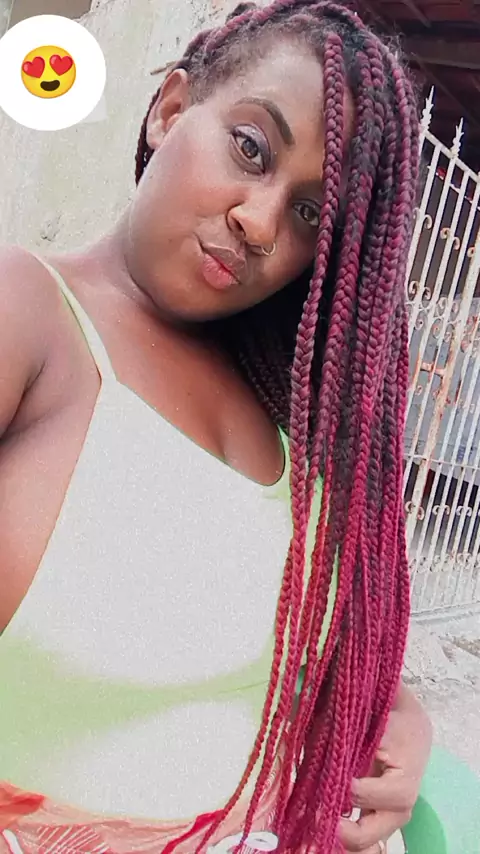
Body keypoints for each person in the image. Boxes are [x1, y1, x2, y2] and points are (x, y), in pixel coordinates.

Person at [0, 1, 432, 852]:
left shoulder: (288, 418)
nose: (260, 223)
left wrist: (400, 718)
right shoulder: (28, 313)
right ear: (170, 109)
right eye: (251, 148)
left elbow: (285, 650)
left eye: (309, 214)